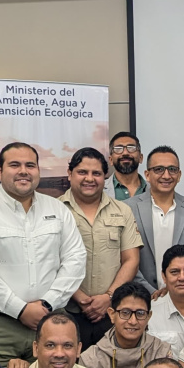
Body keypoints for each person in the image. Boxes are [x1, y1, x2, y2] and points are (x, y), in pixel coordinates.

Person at [0, 142, 87, 366]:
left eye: (30, 165)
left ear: (38, 171)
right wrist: (20, 309)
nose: (23, 171)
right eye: (15, 165)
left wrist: (47, 304)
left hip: (51, 323)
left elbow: (75, 259)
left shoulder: (58, 210)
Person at [59, 147, 143, 348]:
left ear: (105, 177)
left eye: (96, 173)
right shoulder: (54, 210)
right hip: (66, 311)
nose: (89, 179)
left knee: (113, 364)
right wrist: (79, 297)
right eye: (82, 172)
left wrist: (109, 297)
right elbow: (49, 262)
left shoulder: (122, 211)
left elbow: (131, 260)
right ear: (70, 173)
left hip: (111, 312)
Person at [78, 283, 174, 368]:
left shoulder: (161, 353)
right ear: (112, 315)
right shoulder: (91, 359)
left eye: (140, 313)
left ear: (149, 317)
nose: (133, 321)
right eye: (125, 313)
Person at [127, 145, 184, 293]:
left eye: (172, 169)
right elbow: (125, 258)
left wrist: (173, 288)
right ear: (147, 175)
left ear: (179, 175)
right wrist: (150, 291)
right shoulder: (128, 208)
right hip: (140, 295)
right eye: (159, 169)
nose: (166, 176)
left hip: (182, 294)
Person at [108, 131, 147, 200]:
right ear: (111, 160)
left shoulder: (154, 189)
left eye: (131, 148)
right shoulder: (99, 189)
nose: (125, 153)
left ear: (140, 158)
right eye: (118, 149)